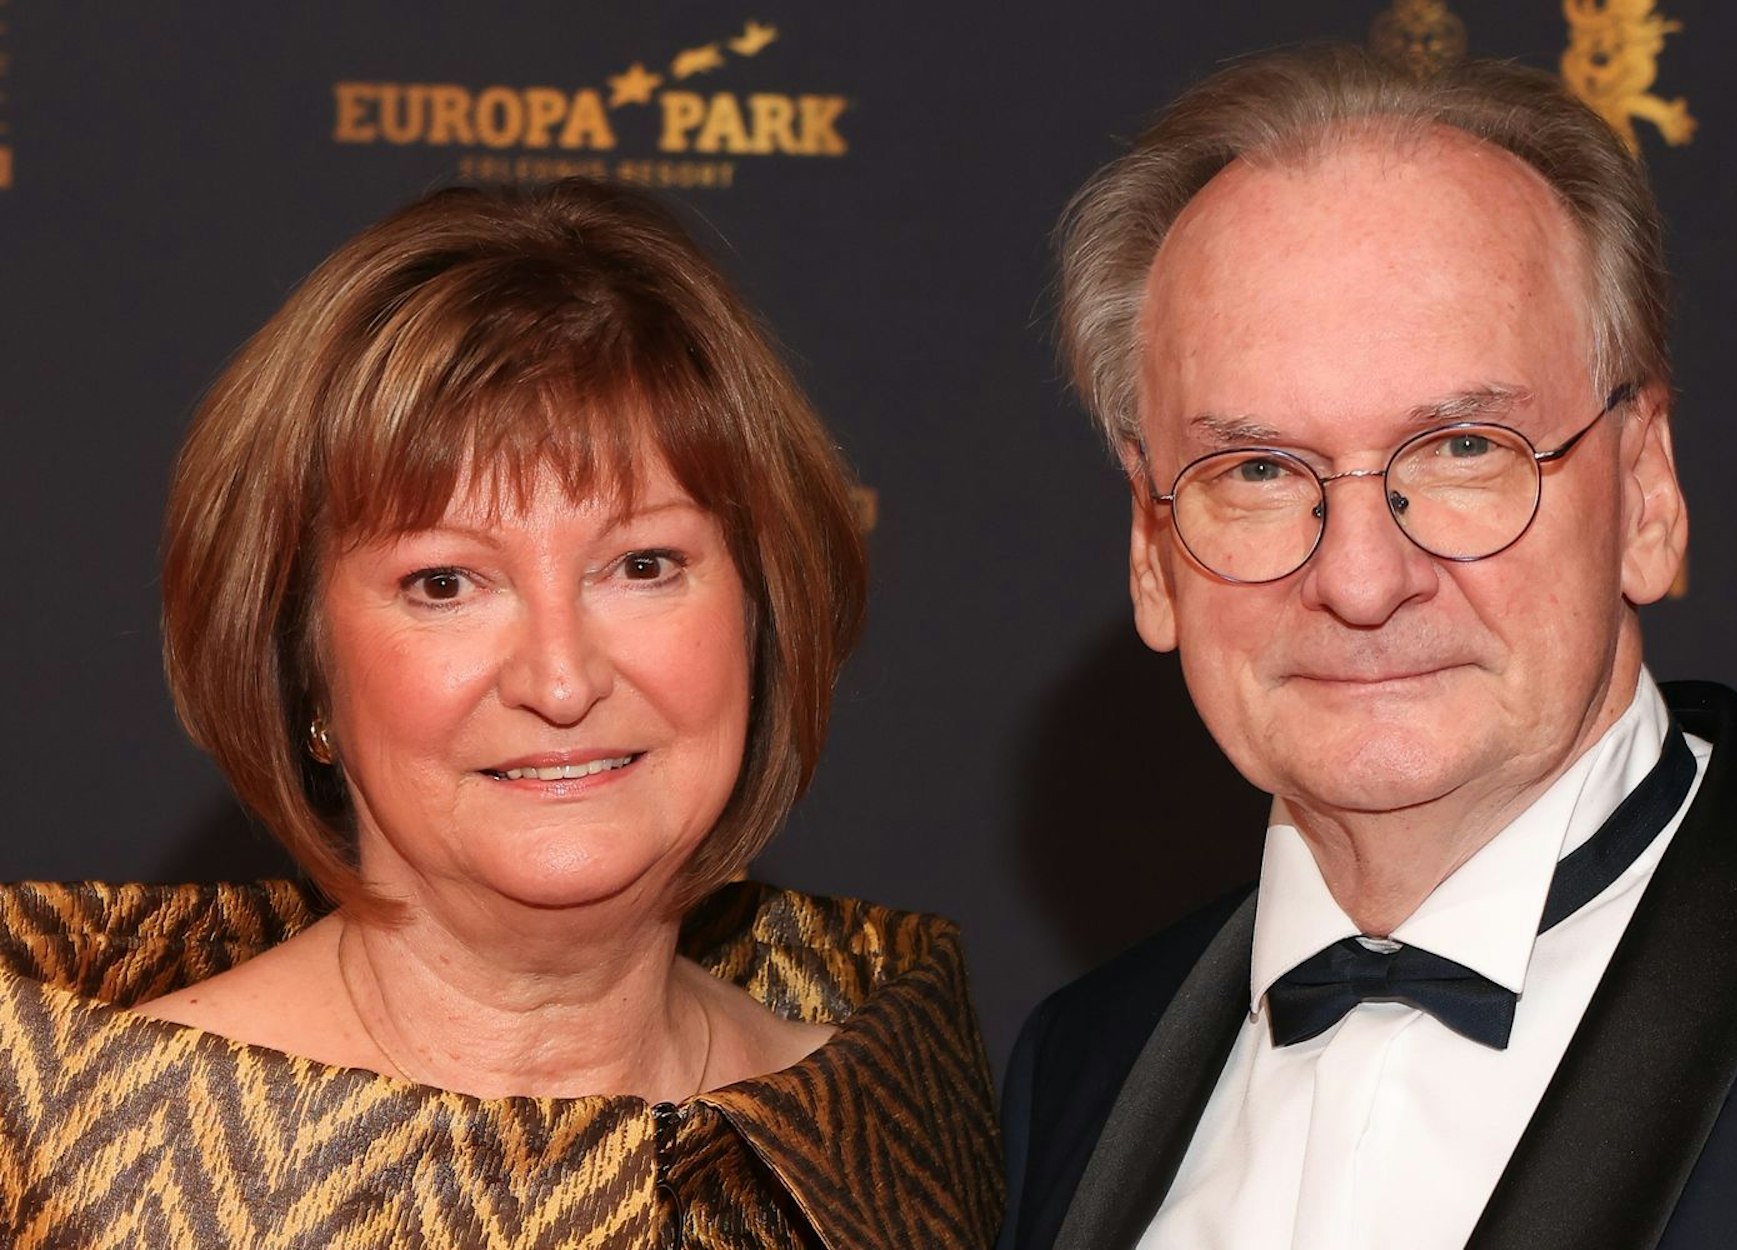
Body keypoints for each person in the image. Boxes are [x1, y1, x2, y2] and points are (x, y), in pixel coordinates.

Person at [1000, 44, 1737, 1250]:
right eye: (1256, 470)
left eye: (1465, 448)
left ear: (1644, 492)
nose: (1361, 579)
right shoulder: (1077, 1067)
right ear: (1151, 552)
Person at [0, 179, 1001, 1248]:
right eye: (445, 583)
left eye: (643, 563)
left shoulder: (896, 1140)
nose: (560, 680)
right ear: (305, 668)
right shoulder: (79, 1166)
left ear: (763, 615)